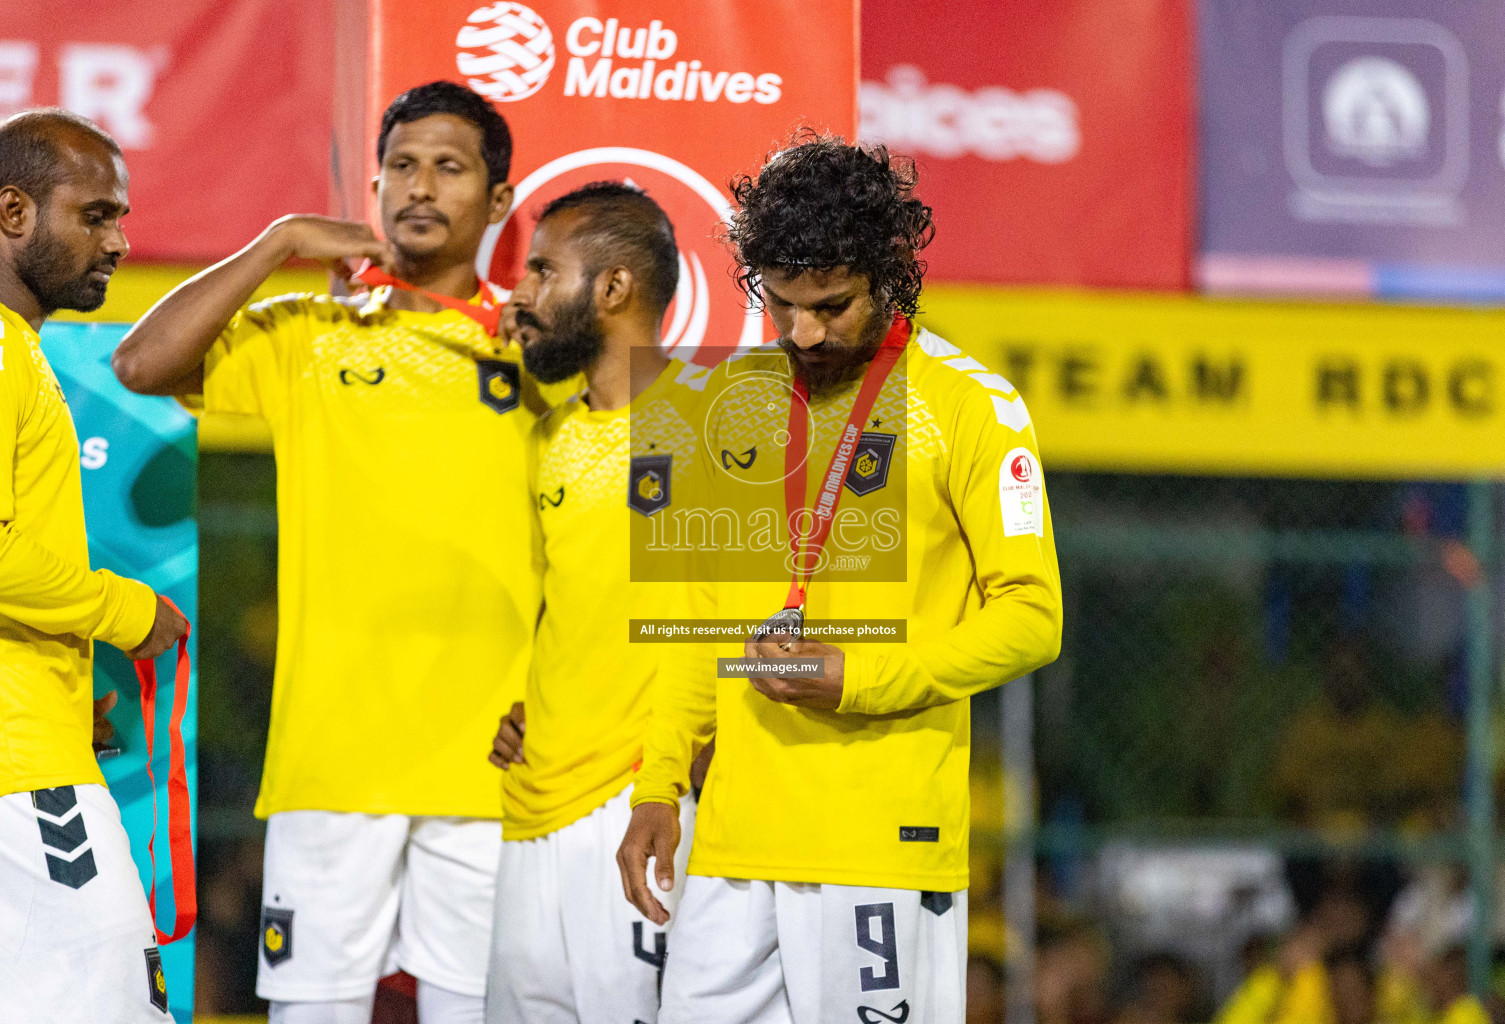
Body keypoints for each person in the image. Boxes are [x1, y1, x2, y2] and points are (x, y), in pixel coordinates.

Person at [113, 81, 543, 1024]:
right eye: (401, 166)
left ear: (499, 201)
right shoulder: (309, 334)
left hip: (494, 764)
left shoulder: (539, 347)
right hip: (330, 765)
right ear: (374, 183)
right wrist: (274, 247)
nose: (420, 187)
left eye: (450, 167)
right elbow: (140, 365)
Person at [616, 134, 1064, 1022]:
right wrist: (659, 783)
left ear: (890, 274)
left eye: (832, 305)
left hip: (880, 845)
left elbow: (1033, 617)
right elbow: (700, 617)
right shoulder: (729, 401)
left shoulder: (972, 407)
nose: (803, 332)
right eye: (780, 304)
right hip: (736, 842)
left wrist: (860, 679)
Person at [483, 181, 703, 1022]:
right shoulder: (552, 435)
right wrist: (532, 698)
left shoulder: (716, 423)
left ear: (612, 288)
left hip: (641, 807)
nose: (522, 294)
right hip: (529, 805)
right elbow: (568, 606)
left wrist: (673, 780)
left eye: (542, 270)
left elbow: (746, 630)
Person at [0, 107, 188, 1021]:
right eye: (97, 215)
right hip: (19, 767)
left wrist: (75, 691)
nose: (120, 240)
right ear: (13, 213)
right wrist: (122, 611)